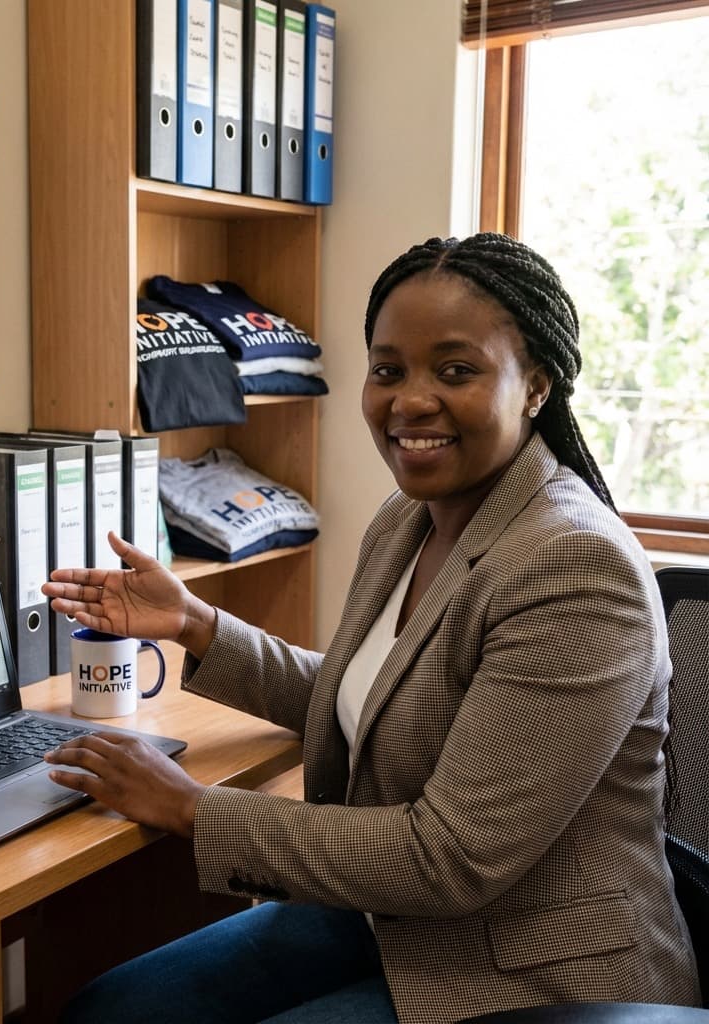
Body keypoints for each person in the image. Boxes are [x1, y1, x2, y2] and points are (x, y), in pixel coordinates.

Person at [42, 233, 700, 1024]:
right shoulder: (408, 521)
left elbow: (449, 857)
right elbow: (373, 695)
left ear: (535, 387)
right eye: (388, 370)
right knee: (113, 1011)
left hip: (533, 966)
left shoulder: (575, 568)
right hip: (393, 919)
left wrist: (192, 808)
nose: (409, 401)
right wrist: (193, 621)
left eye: (456, 371)